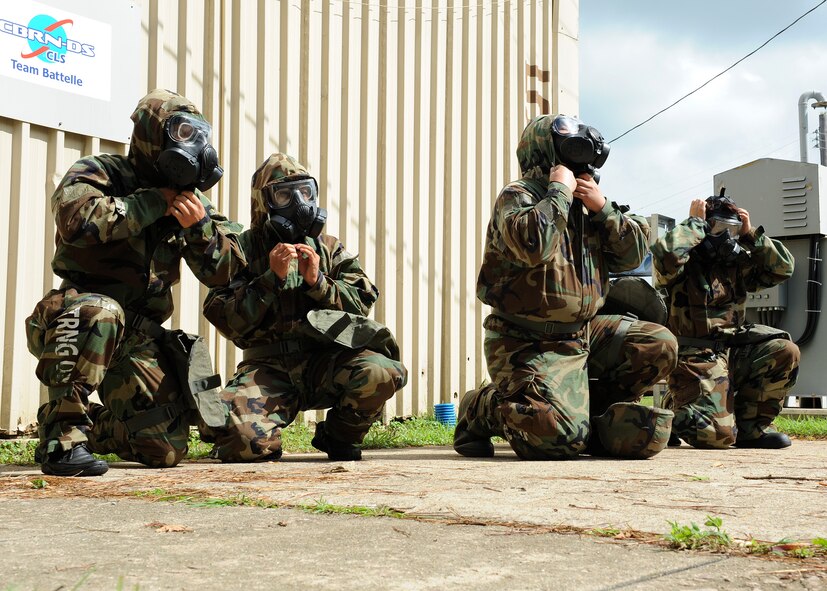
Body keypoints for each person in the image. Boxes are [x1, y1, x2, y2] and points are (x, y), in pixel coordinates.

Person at [26, 89, 245, 476]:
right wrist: (152, 203)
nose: (193, 145)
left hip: (137, 335)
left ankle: (89, 427)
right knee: (102, 311)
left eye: (198, 135)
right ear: (150, 134)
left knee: (164, 448)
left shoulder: (191, 201)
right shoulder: (100, 171)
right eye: (181, 132)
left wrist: (199, 230)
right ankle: (62, 440)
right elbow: (77, 220)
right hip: (77, 317)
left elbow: (227, 272)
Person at [454, 114, 676, 461]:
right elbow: (533, 245)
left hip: (582, 335)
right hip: (524, 341)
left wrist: (603, 210)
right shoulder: (519, 195)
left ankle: (586, 410)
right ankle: (482, 408)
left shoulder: (588, 203)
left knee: (658, 343)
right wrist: (559, 190)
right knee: (558, 440)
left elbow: (634, 255)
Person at [202, 153, 408, 462]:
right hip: (268, 368)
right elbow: (223, 317)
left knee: (381, 371)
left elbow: (363, 299)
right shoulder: (241, 250)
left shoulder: (327, 247)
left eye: (305, 192)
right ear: (264, 202)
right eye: (285, 194)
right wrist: (270, 280)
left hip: (325, 363)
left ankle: (339, 436)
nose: (300, 203)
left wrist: (319, 284)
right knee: (245, 443)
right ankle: (234, 423)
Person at [651, 192, 799, 449]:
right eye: (718, 226)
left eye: (729, 229)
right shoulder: (683, 261)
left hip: (733, 351)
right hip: (695, 355)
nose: (723, 235)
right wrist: (693, 224)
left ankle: (751, 429)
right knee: (716, 437)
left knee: (784, 351)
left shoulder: (736, 264)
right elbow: (664, 256)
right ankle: (673, 410)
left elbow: (783, 268)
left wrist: (750, 234)